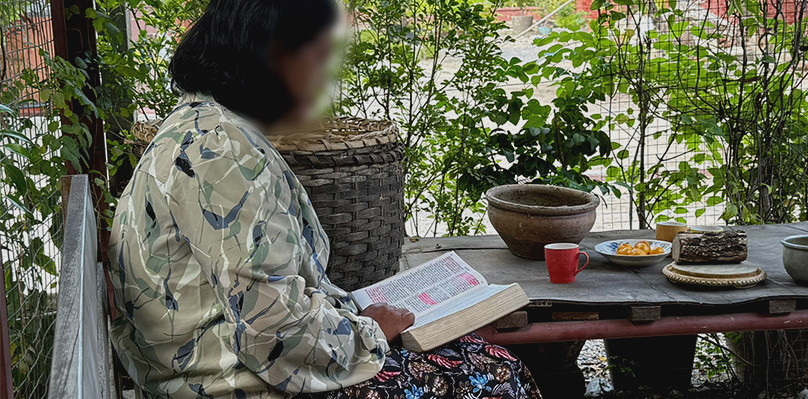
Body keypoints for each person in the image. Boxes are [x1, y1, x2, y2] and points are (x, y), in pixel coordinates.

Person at [107, 0, 543, 398]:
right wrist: (371, 331)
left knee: (467, 350)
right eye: (317, 57)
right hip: (228, 385)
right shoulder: (224, 153)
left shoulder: (197, 125)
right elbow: (273, 333)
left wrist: (359, 321)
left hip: (200, 370)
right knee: (495, 373)